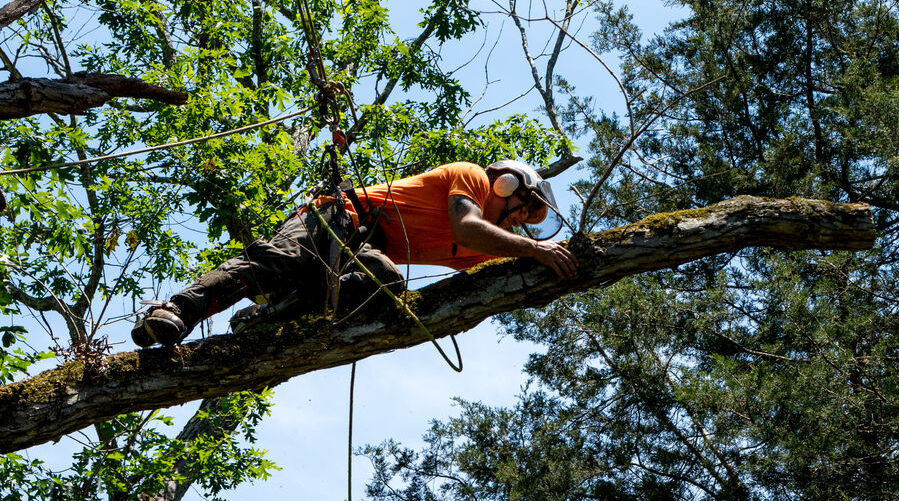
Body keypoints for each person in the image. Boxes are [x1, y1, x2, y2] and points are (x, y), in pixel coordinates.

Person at [131, 159, 578, 348]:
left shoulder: (487, 250)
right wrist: (536, 249)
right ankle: (175, 311)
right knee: (280, 260)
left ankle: (271, 318)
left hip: (365, 251)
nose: (519, 223)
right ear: (507, 185)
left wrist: (542, 260)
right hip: (339, 217)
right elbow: (469, 227)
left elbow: (500, 266)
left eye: (527, 225)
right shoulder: (473, 180)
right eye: (522, 211)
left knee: (384, 281)